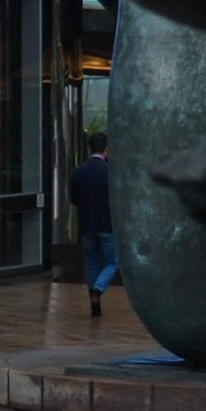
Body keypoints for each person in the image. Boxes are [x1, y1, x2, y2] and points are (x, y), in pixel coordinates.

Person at [72, 130, 116, 317]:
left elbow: (74, 199)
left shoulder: (79, 171)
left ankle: (93, 295)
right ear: (106, 149)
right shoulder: (109, 172)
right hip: (106, 223)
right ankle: (98, 289)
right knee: (113, 262)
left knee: (91, 261)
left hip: (86, 223)